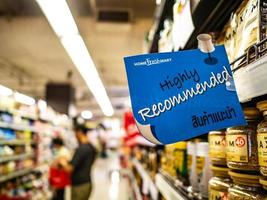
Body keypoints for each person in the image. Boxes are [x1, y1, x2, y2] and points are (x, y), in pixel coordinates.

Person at [59, 125, 97, 200]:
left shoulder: (82, 149)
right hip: (86, 182)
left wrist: (61, 161)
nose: (75, 136)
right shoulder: (91, 147)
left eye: (75, 133)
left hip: (80, 185)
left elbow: (69, 168)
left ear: (79, 132)